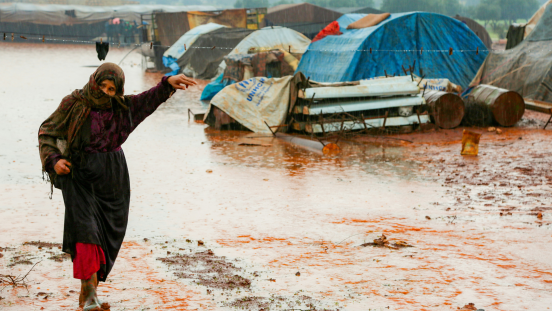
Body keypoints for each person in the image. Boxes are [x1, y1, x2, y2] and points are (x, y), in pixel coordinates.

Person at [38, 63, 196, 311]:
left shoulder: (120, 108)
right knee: (85, 234)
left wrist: (166, 85)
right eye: (102, 86)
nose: (106, 92)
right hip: (79, 177)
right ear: (94, 82)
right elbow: (47, 132)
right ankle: (90, 297)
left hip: (112, 180)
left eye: (112, 89)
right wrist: (54, 161)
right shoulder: (74, 103)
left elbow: (146, 101)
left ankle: (88, 297)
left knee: (104, 238)